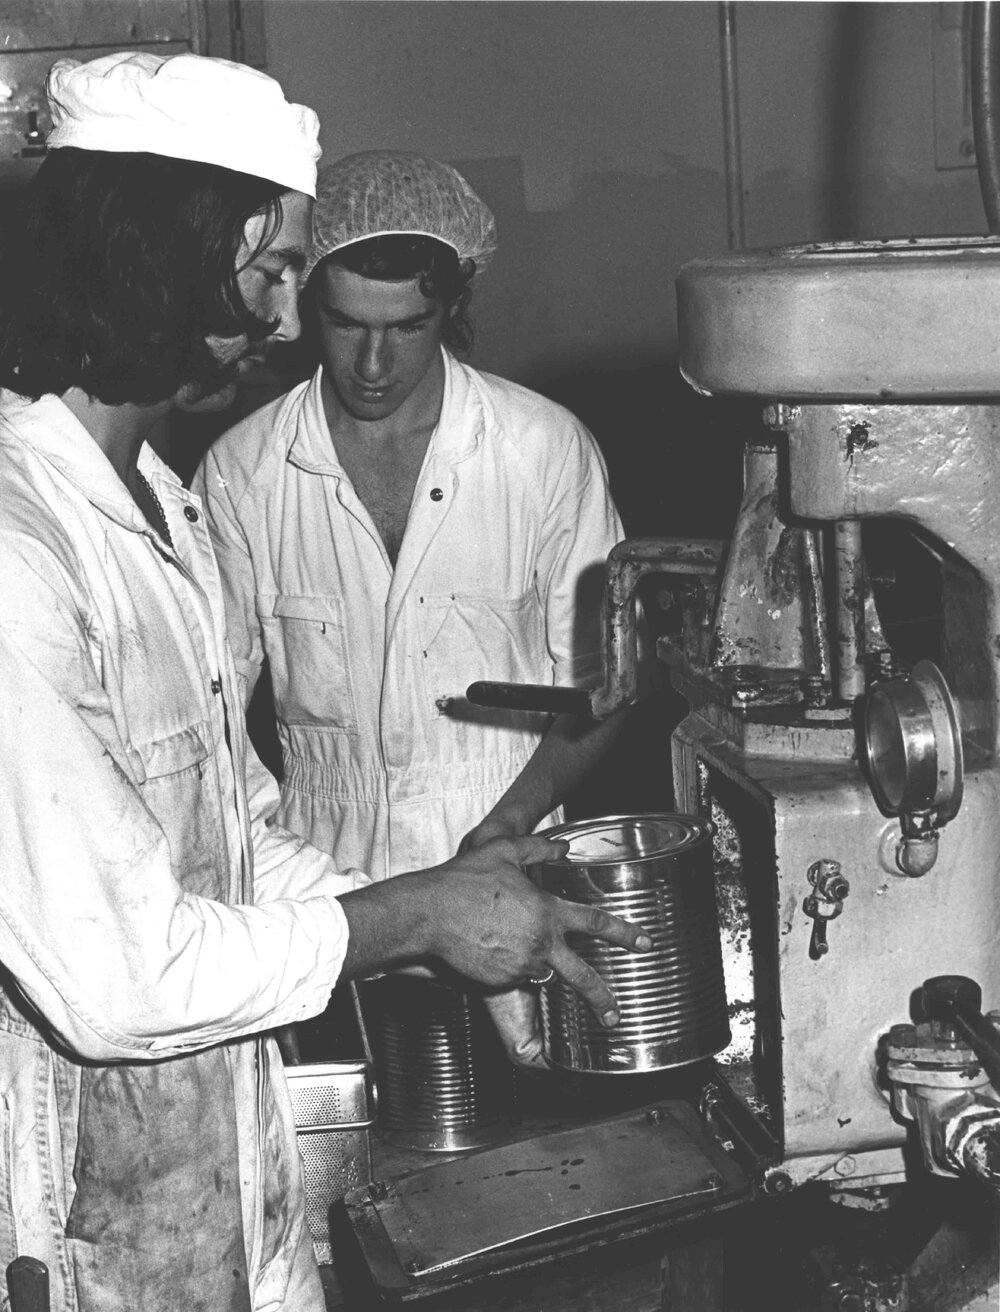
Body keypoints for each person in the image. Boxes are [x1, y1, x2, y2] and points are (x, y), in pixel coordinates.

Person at [0, 59, 650, 1312]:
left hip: (223, 1164)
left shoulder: (165, 513)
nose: (295, 324)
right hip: (84, 1208)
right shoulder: (25, 551)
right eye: (273, 273)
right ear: (163, 258)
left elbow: (241, 831)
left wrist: (444, 903)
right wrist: (407, 919)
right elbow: (121, 972)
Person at [194, 150, 633, 1066]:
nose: (373, 361)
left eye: (408, 326)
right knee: (347, 1163)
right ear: (306, 301)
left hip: (508, 872)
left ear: (455, 308)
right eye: (346, 323)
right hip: (322, 894)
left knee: (538, 1154)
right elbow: (205, 718)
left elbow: (605, 685)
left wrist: (503, 830)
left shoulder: (542, 452)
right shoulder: (243, 472)